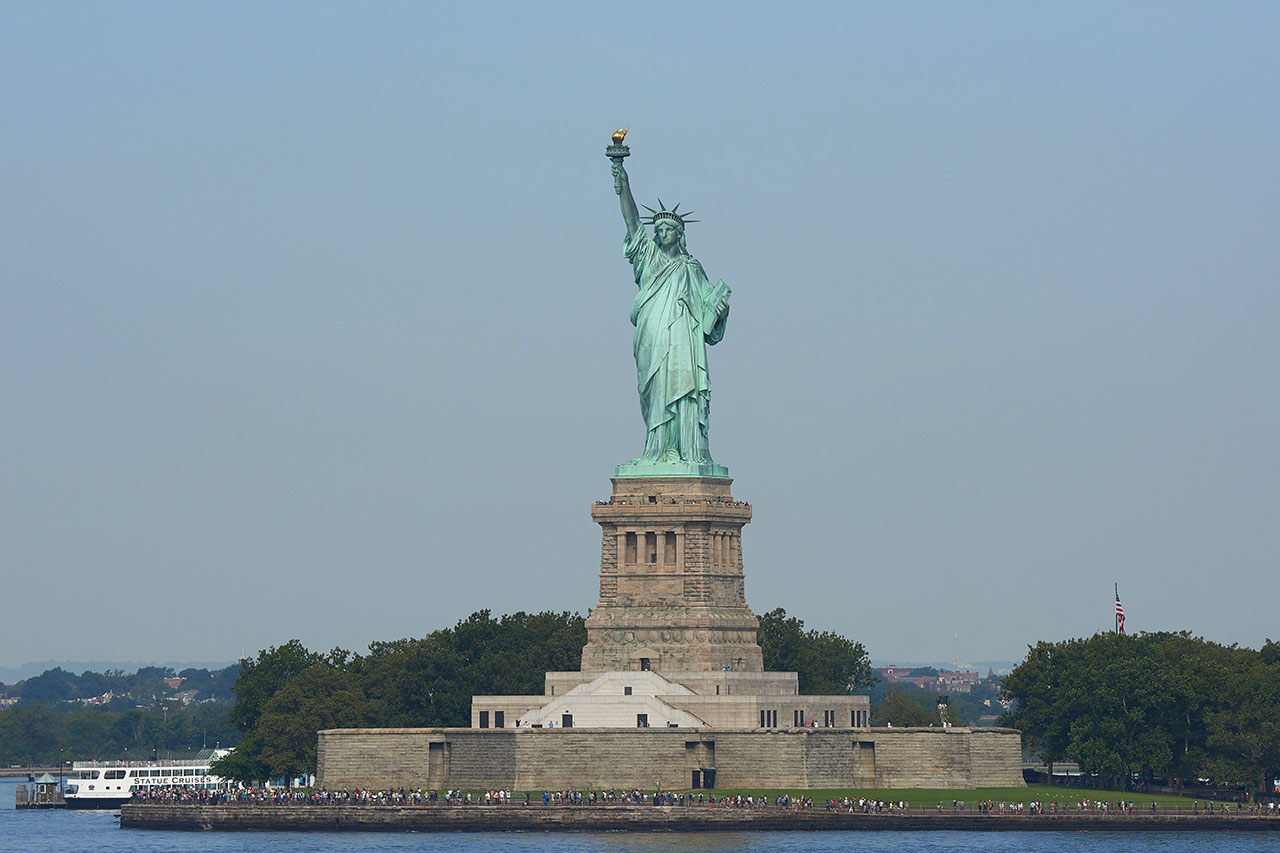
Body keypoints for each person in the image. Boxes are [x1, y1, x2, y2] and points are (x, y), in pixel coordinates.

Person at [611, 159, 730, 465]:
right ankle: (658, 448)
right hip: (652, 333)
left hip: (683, 338)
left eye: (669, 229)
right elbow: (632, 221)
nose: (662, 233)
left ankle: (684, 449)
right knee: (654, 390)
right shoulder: (648, 257)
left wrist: (720, 308)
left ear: (680, 234)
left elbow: (708, 311)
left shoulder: (691, 267)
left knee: (683, 388)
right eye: (659, 229)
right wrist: (621, 179)